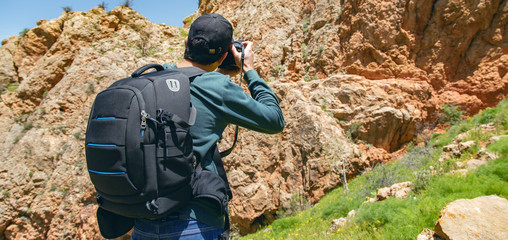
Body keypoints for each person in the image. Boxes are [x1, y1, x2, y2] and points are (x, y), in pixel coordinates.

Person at [130, 13, 285, 240]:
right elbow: (274, 120)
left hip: (143, 223)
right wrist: (248, 69)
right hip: (193, 223)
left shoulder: (150, 79)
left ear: (186, 43)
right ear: (224, 56)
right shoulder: (217, 87)